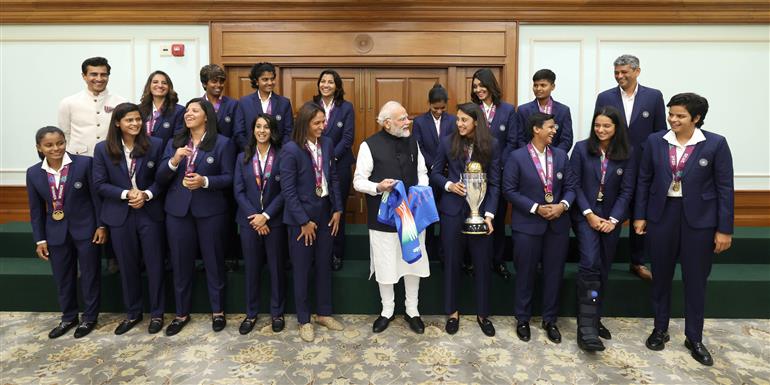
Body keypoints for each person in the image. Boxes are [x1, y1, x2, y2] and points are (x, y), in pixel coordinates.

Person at [634, 93, 733, 366]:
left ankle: (694, 337)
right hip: (662, 215)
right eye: (671, 114)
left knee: (695, 280)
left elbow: (725, 189)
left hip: (700, 222)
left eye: (680, 116)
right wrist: (640, 215)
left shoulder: (715, 144)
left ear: (696, 118)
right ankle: (660, 329)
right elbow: (644, 180)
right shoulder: (655, 141)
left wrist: (724, 229)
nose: (673, 120)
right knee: (661, 275)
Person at [156, 98, 236, 336]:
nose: (188, 114)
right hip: (178, 212)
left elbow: (230, 178)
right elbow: (160, 178)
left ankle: (218, 311)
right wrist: (174, 160)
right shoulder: (174, 143)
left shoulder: (223, 143)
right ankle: (181, 313)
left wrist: (205, 181)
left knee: (213, 261)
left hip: (210, 211)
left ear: (207, 116)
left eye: (194, 110)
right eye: (187, 111)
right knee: (181, 263)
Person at [353, 101, 430, 335]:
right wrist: (378, 186)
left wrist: (419, 192)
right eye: (403, 119)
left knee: (412, 262)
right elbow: (358, 181)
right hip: (383, 218)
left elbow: (422, 174)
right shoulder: (369, 145)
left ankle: (412, 310)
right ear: (388, 123)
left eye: (407, 117)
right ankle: (387, 310)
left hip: (410, 216)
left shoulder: (413, 142)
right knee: (386, 263)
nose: (408, 122)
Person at [92, 103, 167, 335]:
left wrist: (146, 194)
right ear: (117, 123)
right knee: (127, 266)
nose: (135, 124)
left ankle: (157, 314)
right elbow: (100, 184)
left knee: (155, 265)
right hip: (120, 215)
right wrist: (127, 194)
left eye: (138, 119)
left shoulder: (155, 144)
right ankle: (133, 313)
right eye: (129, 120)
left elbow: (162, 179)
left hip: (149, 213)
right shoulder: (103, 149)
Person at [26, 126, 106, 339]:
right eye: (49, 145)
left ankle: (89, 317)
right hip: (55, 234)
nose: (56, 148)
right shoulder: (34, 173)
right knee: (63, 277)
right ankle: (69, 317)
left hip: (87, 230)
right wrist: (40, 239)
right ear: (39, 148)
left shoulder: (84, 164)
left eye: (60, 143)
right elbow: (36, 211)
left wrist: (101, 225)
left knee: (90, 275)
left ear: (65, 142)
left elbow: (96, 199)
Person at [503, 112, 576, 344]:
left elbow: (572, 187)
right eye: (551, 127)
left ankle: (550, 320)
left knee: (554, 274)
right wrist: (536, 208)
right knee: (525, 273)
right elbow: (509, 190)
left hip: (557, 226)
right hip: (527, 226)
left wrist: (562, 206)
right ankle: (523, 319)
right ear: (536, 129)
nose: (555, 131)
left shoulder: (562, 156)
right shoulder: (516, 157)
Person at [430, 103, 500, 336]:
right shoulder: (447, 141)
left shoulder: (492, 144)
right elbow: (436, 173)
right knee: (452, 262)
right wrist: (450, 185)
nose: (458, 124)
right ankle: (452, 312)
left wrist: (489, 215)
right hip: (452, 212)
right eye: (457, 119)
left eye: (463, 120)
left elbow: (496, 183)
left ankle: (483, 314)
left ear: (476, 122)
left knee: (482, 263)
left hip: (480, 214)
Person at [594, 54, 666, 281]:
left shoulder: (654, 97)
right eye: (616, 72)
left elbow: (659, 132)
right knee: (610, 209)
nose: (619, 76)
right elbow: (599, 127)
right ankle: (601, 260)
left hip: (644, 164)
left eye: (624, 72)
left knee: (640, 210)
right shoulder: (605, 96)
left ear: (637, 71)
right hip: (614, 163)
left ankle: (637, 261)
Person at [569, 106, 635, 351]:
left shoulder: (627, 152)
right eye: (597, 125)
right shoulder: (581, 149)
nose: (601, 130)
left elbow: (627, 190)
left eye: (606, 126)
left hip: (611, 219)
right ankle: (585, 327)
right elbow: (573, 183)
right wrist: (589, 214)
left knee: (603, 267)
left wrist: (614, 219)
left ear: (616, 128)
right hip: (585, 215)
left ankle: (594, 318)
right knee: (589, 262)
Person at [280, 102, 344, 342]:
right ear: (305, 123)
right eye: (317, 123)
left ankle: (324, 313)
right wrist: (303, 221)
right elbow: (287, 190)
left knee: (324, 264)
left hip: (326, 212)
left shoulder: (326, 143)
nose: (322, 126)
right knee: (302, 268)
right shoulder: (290, 149)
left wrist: (337, 209)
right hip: (301, 219)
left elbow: (334, 177)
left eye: (323, 122)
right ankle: (304, 319)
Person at [234, 113, 287, 335]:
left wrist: (266, 216)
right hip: (249, 222)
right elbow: (238, 191)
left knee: (276, 269)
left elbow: (285, 191)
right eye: (258, 126)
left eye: (266, 127)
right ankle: (251, 313)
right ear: (253, 130)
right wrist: (256, 217)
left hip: (273, 223)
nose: (262, 131)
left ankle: (277, 312)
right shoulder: (243, 157)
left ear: (272, 130)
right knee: (252, 269)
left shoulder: (282, 156)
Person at [471, 68, 517, 279]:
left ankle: (498, 262)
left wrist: (499, 165)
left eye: (482, 85)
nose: (479, 89)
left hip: (499, 173)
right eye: (475, 86)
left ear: (491, 85)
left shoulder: (507, 110)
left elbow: (512, 142)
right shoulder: (473, 110)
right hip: (474, 176)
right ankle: (473, 261)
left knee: (496, 220)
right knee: (474, 217)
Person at [312, 69, 355, 271]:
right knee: (317, 209)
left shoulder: (346, 108)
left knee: (338, 209)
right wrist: (320, 160)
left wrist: (329, 158)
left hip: (339, 166)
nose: (326, 85)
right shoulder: (311, 107)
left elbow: (348, 138)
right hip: (313, 166)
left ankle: (337, 253)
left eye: (330, 82)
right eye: (323, 81)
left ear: (337, 86)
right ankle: (318, 252)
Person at [412, 84, 456, 263]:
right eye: (435, 108)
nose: (438, 111)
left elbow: (455, 144)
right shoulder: (420, 122)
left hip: (448, 176)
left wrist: (445, 166)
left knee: (446, 217)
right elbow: (418, 147)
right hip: (428, 176)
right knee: (428, 217)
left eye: (442, 108)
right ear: (428, 104)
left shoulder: (453, 121)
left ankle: (445, 255)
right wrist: (435, 165)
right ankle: (427, 254)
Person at [58, 56, 126, 156]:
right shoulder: (68, 102)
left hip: (111, 158)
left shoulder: (121, 102)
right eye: (94, 74)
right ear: (84, 76)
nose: (99, 79)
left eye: (103, 75)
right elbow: (65, 134)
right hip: (79, 158)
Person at [237, 62, 294, 146]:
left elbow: (289, 132)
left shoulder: (284, 103)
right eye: (265, 79)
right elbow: (239, 132)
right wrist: (250, 151)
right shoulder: (244, 102)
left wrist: (280, 153)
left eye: (272, 79)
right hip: (251, 154)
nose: (270, 83)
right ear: (256, 81)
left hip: (278, 155)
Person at [516, 69, 573, 152]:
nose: (538, 88)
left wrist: (555, 156)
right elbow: (520, 138)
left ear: (552, 86)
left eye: (543, 85)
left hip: (555, 159)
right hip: (529, 158)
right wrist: (529, 155)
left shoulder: (563, 110)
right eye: (535, 85)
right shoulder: (523, 110)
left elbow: (566, 140)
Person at [200, 64, 244, 148]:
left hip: (227, 150)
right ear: (204, 84)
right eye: (214, 81)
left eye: (221, 81)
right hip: (203, 151)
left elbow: (238, 132)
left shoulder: (233, 104)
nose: (219, 85)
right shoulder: (197, 105)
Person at [138, 70, 184, 149]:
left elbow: (178, 140)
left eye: (164, 83)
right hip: (141, 156)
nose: (160, 85)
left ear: (169, 87)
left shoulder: (179, 111)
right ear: (149, 85)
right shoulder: (138, 109)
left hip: (165, 157)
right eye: (155, 82)